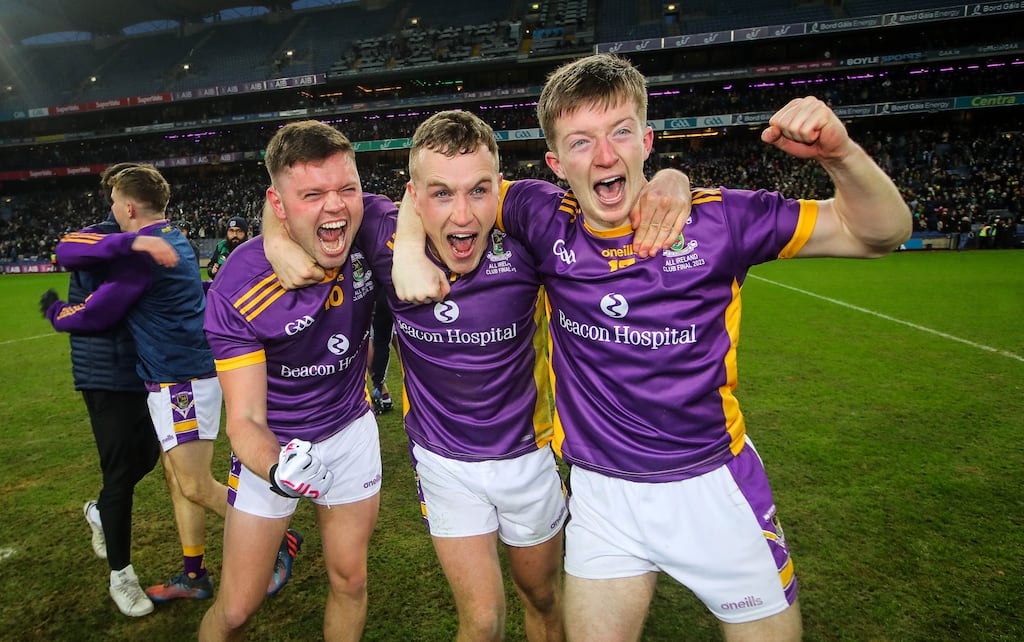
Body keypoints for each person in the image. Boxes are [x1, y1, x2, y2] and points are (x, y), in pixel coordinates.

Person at [394, 54, 912, 642]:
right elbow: (444, 186)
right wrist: (409, 247)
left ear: (647, 139)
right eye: (581, 142)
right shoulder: (541, 216)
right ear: (555, 163)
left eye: (619, 133)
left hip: (712, 487)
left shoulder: (722, 221)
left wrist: (839, 155)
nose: (606, 156)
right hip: (602, 494)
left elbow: (881, 232)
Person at [266, 110, 691, 641]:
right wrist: (277, 241)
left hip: (528, 456)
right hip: (444, 464)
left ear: (500, 189)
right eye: (441, 194)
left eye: (479, 191)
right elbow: (297, 205)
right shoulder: (380, 232)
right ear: (413, 198)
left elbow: (612, 200)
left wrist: (671, 179)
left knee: (542, 598)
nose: (463, 216)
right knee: (483, 620)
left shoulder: (529, 235)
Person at [43, 165, 301, 608]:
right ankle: (194, 573)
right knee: (178, 481)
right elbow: (70, 248)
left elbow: (97, 311)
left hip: (181, 383)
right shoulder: (172, 238)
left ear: (126, 206)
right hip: (178, 379)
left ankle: (279, 535)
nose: (112, 212)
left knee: (197, 485)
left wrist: (54, 310)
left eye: (114, 205)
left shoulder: (146, 254)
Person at [199, 120, 384, 642]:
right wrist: (279, 469)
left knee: (350, 580)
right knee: (236, 607)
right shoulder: (240, 283)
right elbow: (245, 420)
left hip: (350, 433)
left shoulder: (371, 233)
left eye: (347, 189)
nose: (336, 207)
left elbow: (451, 194)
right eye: (313, 194)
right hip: (273, 446)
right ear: (277, 205)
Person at [38, 162, 162, 618]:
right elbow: (67, 249)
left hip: (144, 370)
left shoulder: (151, 237)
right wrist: (59, 313)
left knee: (147, 456)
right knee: (118, 475)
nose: (111, 204)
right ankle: (121, 576)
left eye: (114, 196)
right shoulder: (97, 236)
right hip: (104, 374)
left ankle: (98, 512)